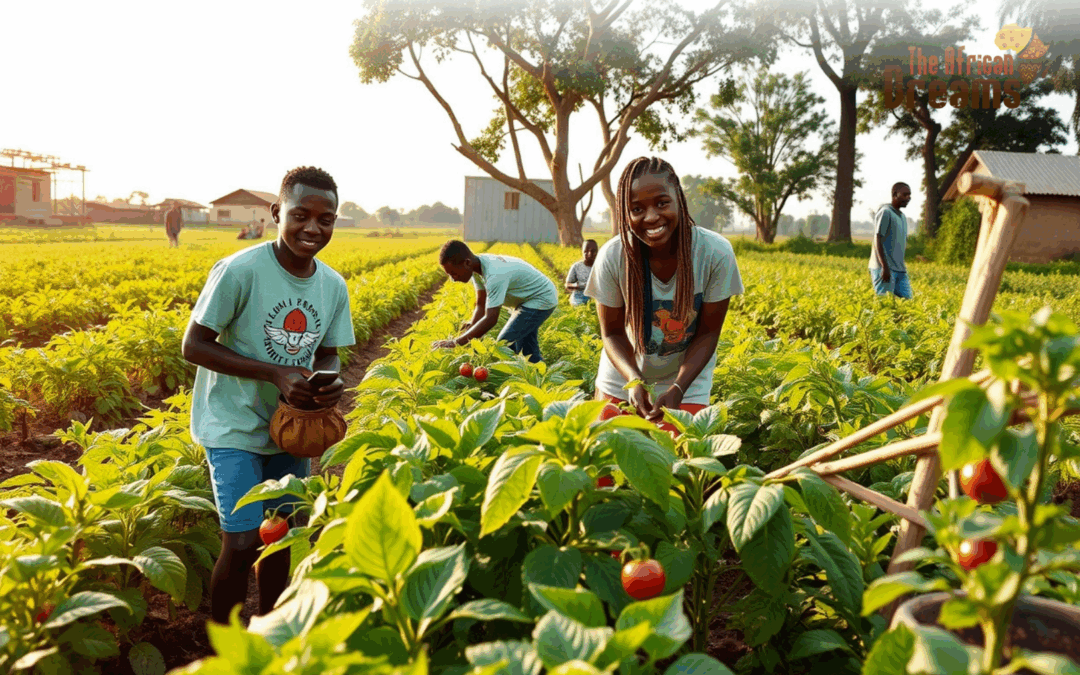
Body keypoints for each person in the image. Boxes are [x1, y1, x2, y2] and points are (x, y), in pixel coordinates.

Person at [181, 166, 355, 624]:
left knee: (281, 537)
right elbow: (193, 345)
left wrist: (328, 381)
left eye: (326, 219)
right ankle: (225, 648)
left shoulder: (333, 285)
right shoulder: (240, 270)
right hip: (232, 424)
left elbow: (330, 353)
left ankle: (273, 634)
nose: (313, 228)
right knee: (241, 543)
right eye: (301, 215)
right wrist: (275, 373)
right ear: (277, 213)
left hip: (290, 430)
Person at [585, 157, 743, 433]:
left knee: (680, 463)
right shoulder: (613, 256)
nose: (651, 217)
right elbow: (611, 333)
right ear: (625, 213)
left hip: (686, 380)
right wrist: (634, 382)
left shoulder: (715, 253)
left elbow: (707, 333)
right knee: (604, 462)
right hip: (624, 377)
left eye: (661, 203)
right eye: (636, 209)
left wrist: (678, 388)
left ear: (678, 199)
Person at [433, 240, 558, 363]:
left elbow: (491, 319)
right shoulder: (477, 268)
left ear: (467, 263)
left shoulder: (494, 275)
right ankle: (537, 374)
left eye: (453, 273)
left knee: (503, 345)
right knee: (527, 351)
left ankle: (516, 377)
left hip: (541, 298)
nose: (453, 279)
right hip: (526, 301)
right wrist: (471, 328)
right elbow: (481, 305)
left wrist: (456, 342)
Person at [869, 182, 913, 299]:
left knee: (907, 303)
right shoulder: (885, 212)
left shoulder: (902, 217)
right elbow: (878, 238)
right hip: (885, 269)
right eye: (905, 194)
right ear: (895, 194)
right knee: (885, 306)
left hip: (900, 269)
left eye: (909, 195)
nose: (908, 198)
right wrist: (884, 267)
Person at [565, 239, 598, 306]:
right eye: (586, 251)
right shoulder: (576, 266)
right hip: (579, 297)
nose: (589, 254)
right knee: (580, 307)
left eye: (593, 251)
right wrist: (578, 285)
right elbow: (567, 285)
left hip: (596, 297)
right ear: (582, 251)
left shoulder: (601, 266)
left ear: (597, 252)